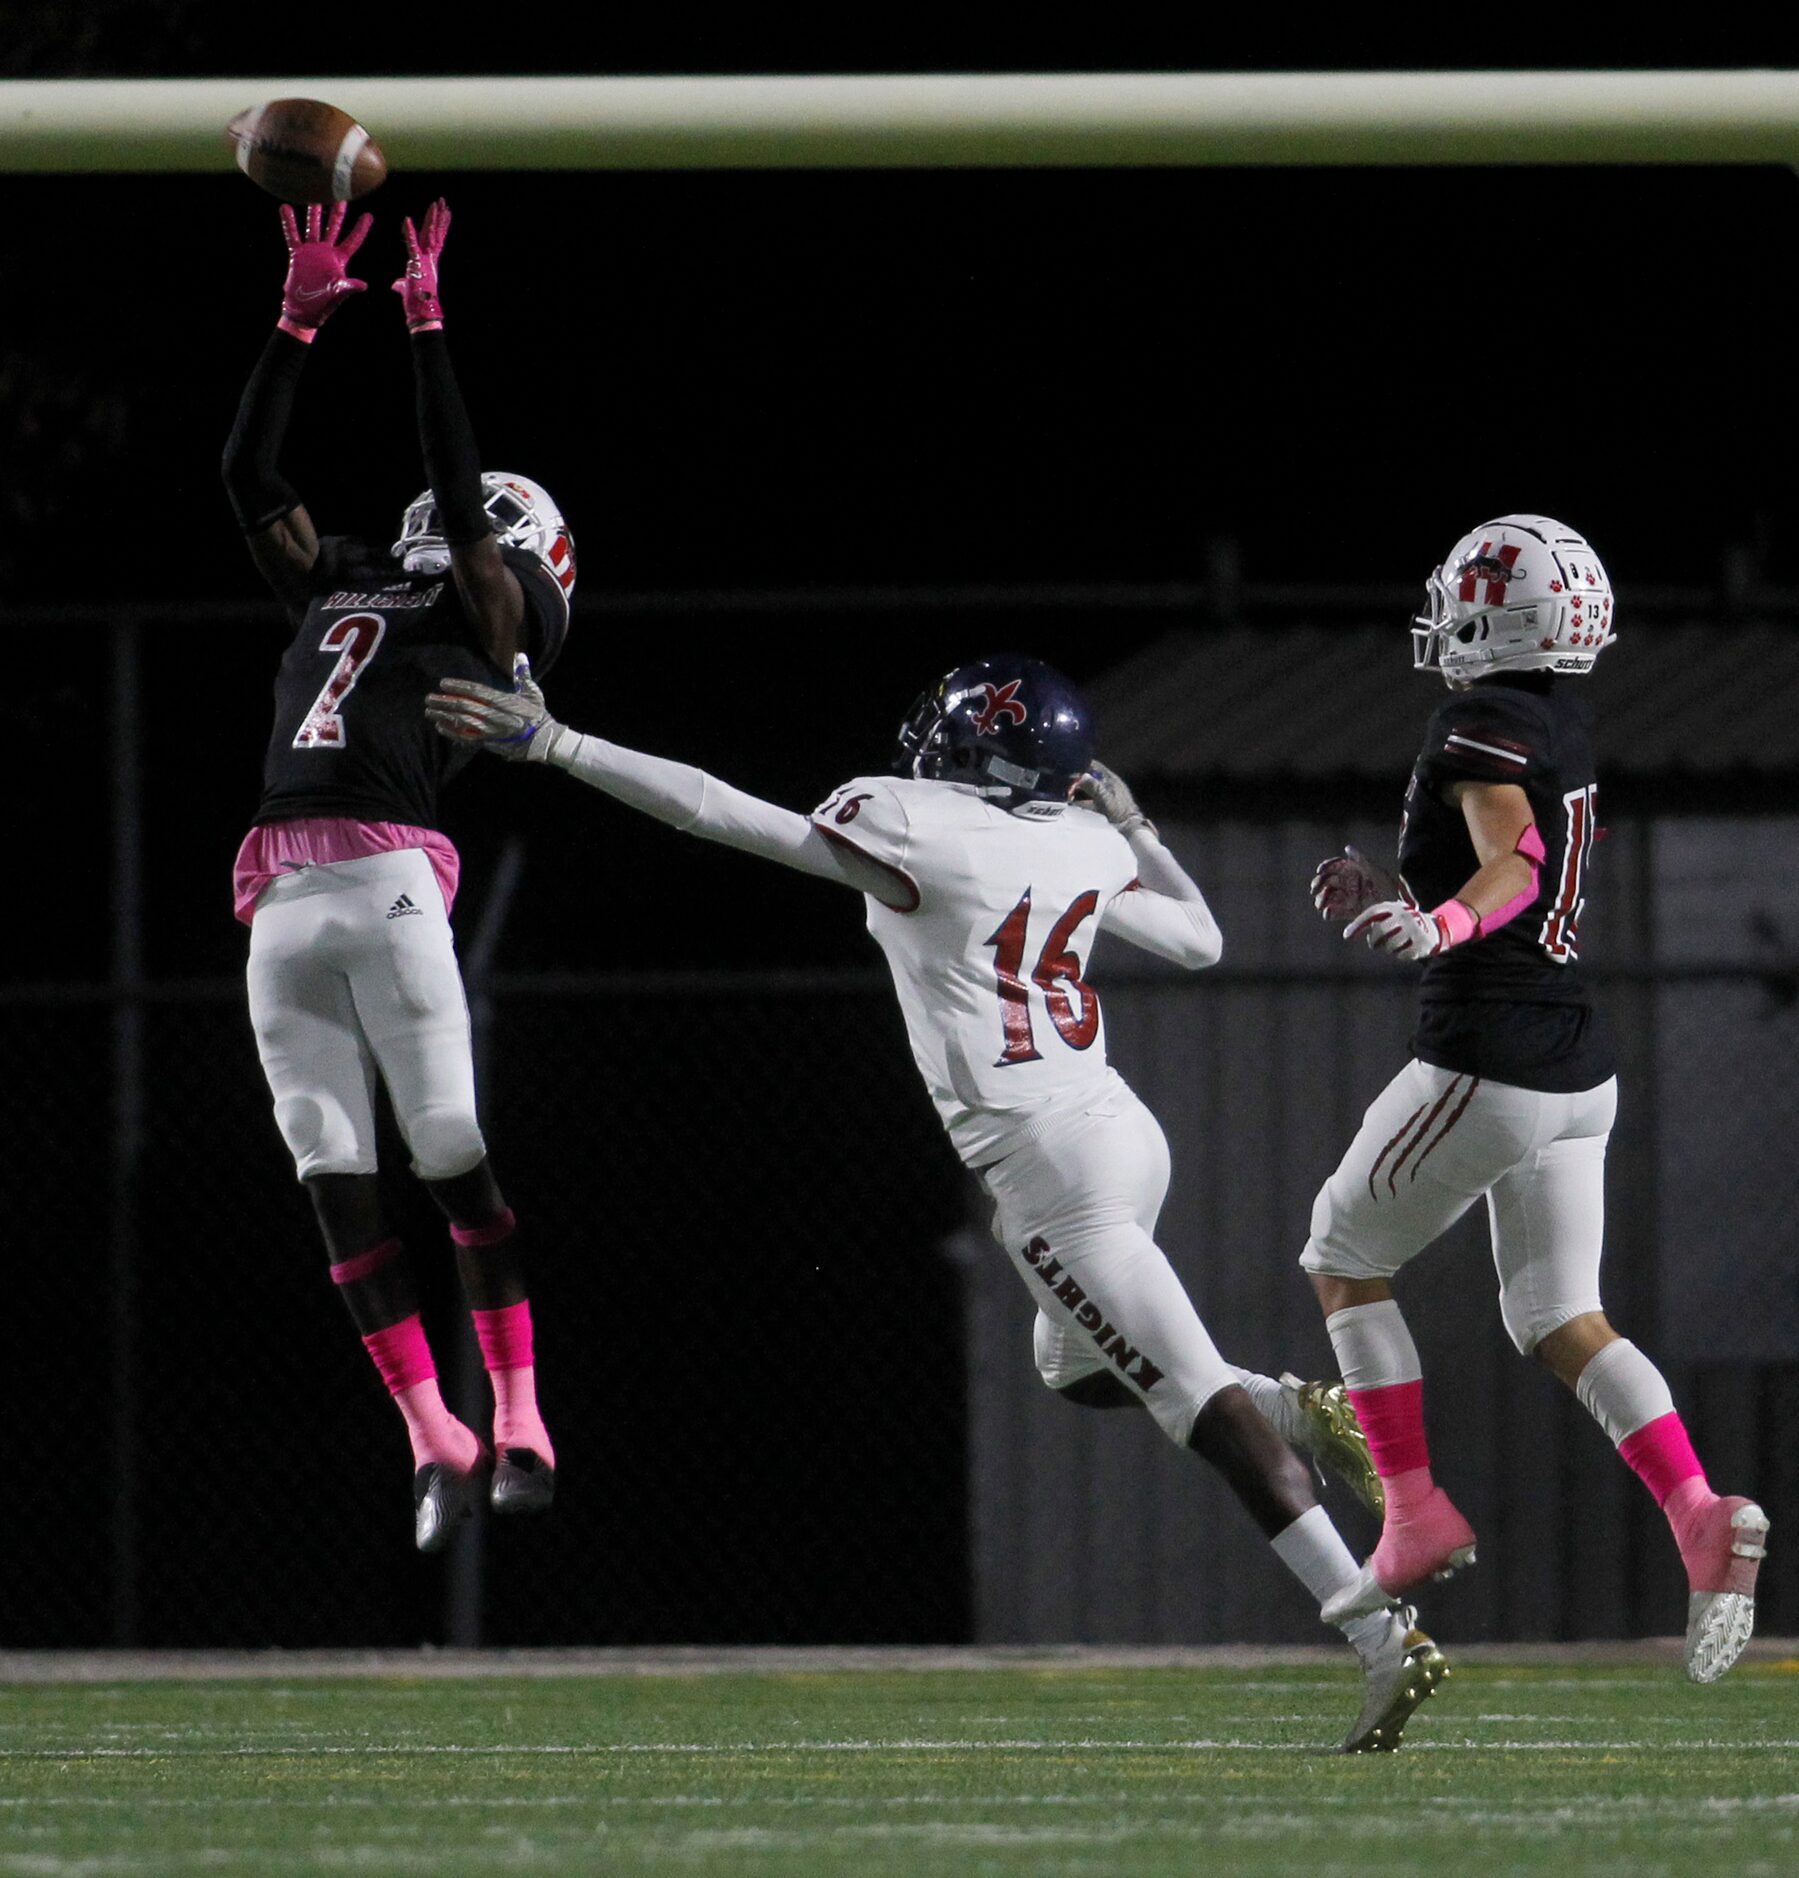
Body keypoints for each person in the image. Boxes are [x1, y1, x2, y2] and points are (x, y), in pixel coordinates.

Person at [427, 652, 1447, 1752]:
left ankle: (1376, 1631)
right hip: (1114, 1132)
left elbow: (723, 814)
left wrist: (558, 743)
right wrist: (1139, 826)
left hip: (1049, 1168)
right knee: (1073, 1369)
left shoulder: (912, 821)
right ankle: (1302, 1407)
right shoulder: (1084, 839)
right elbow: (1201, 943)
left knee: (1195, 1404)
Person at [1303, 514, 1768, 1682]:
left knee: (1339, 1257)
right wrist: (1403, 887)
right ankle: (1699, 1512)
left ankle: (1410, 1514)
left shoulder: (1480, 717)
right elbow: (1499, 849)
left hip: (1487, 1052)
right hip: (1575, 1063)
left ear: (1496, 614)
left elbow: (1514, 861)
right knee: (1559, 1317)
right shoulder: (1554, 713)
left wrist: (1440, 920)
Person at [220, 199, 575, 1551]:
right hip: (279, 898)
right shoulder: (350, 579)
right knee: (332, 1175)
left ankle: (522, 1413)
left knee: (449, 1156)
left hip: (384, 878)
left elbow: (464, 497)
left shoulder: (487, 617)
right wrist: (295, 321)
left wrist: (425, 324)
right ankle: (432, 1432)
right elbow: (246, 476)